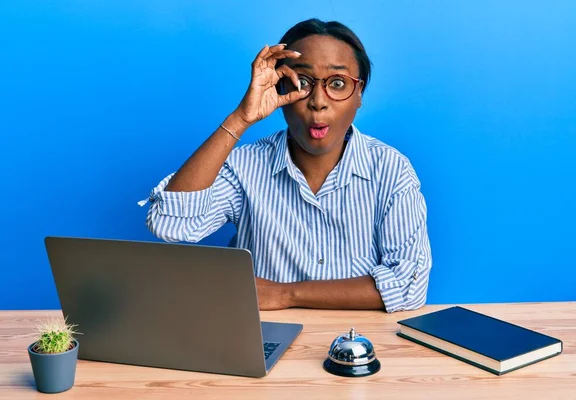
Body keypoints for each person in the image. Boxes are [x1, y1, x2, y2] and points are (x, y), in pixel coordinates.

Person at [139, 18, 432, 313]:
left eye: (338, 84)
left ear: (359, 95)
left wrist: (286, 294)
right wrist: (241, 118)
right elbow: (170, 224)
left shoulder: (391, 170)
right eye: (302, 83)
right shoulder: (246, 166)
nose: (318, 102)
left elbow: (408, 285)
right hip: (263, 341)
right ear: (281, 89)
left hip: (361, 344)